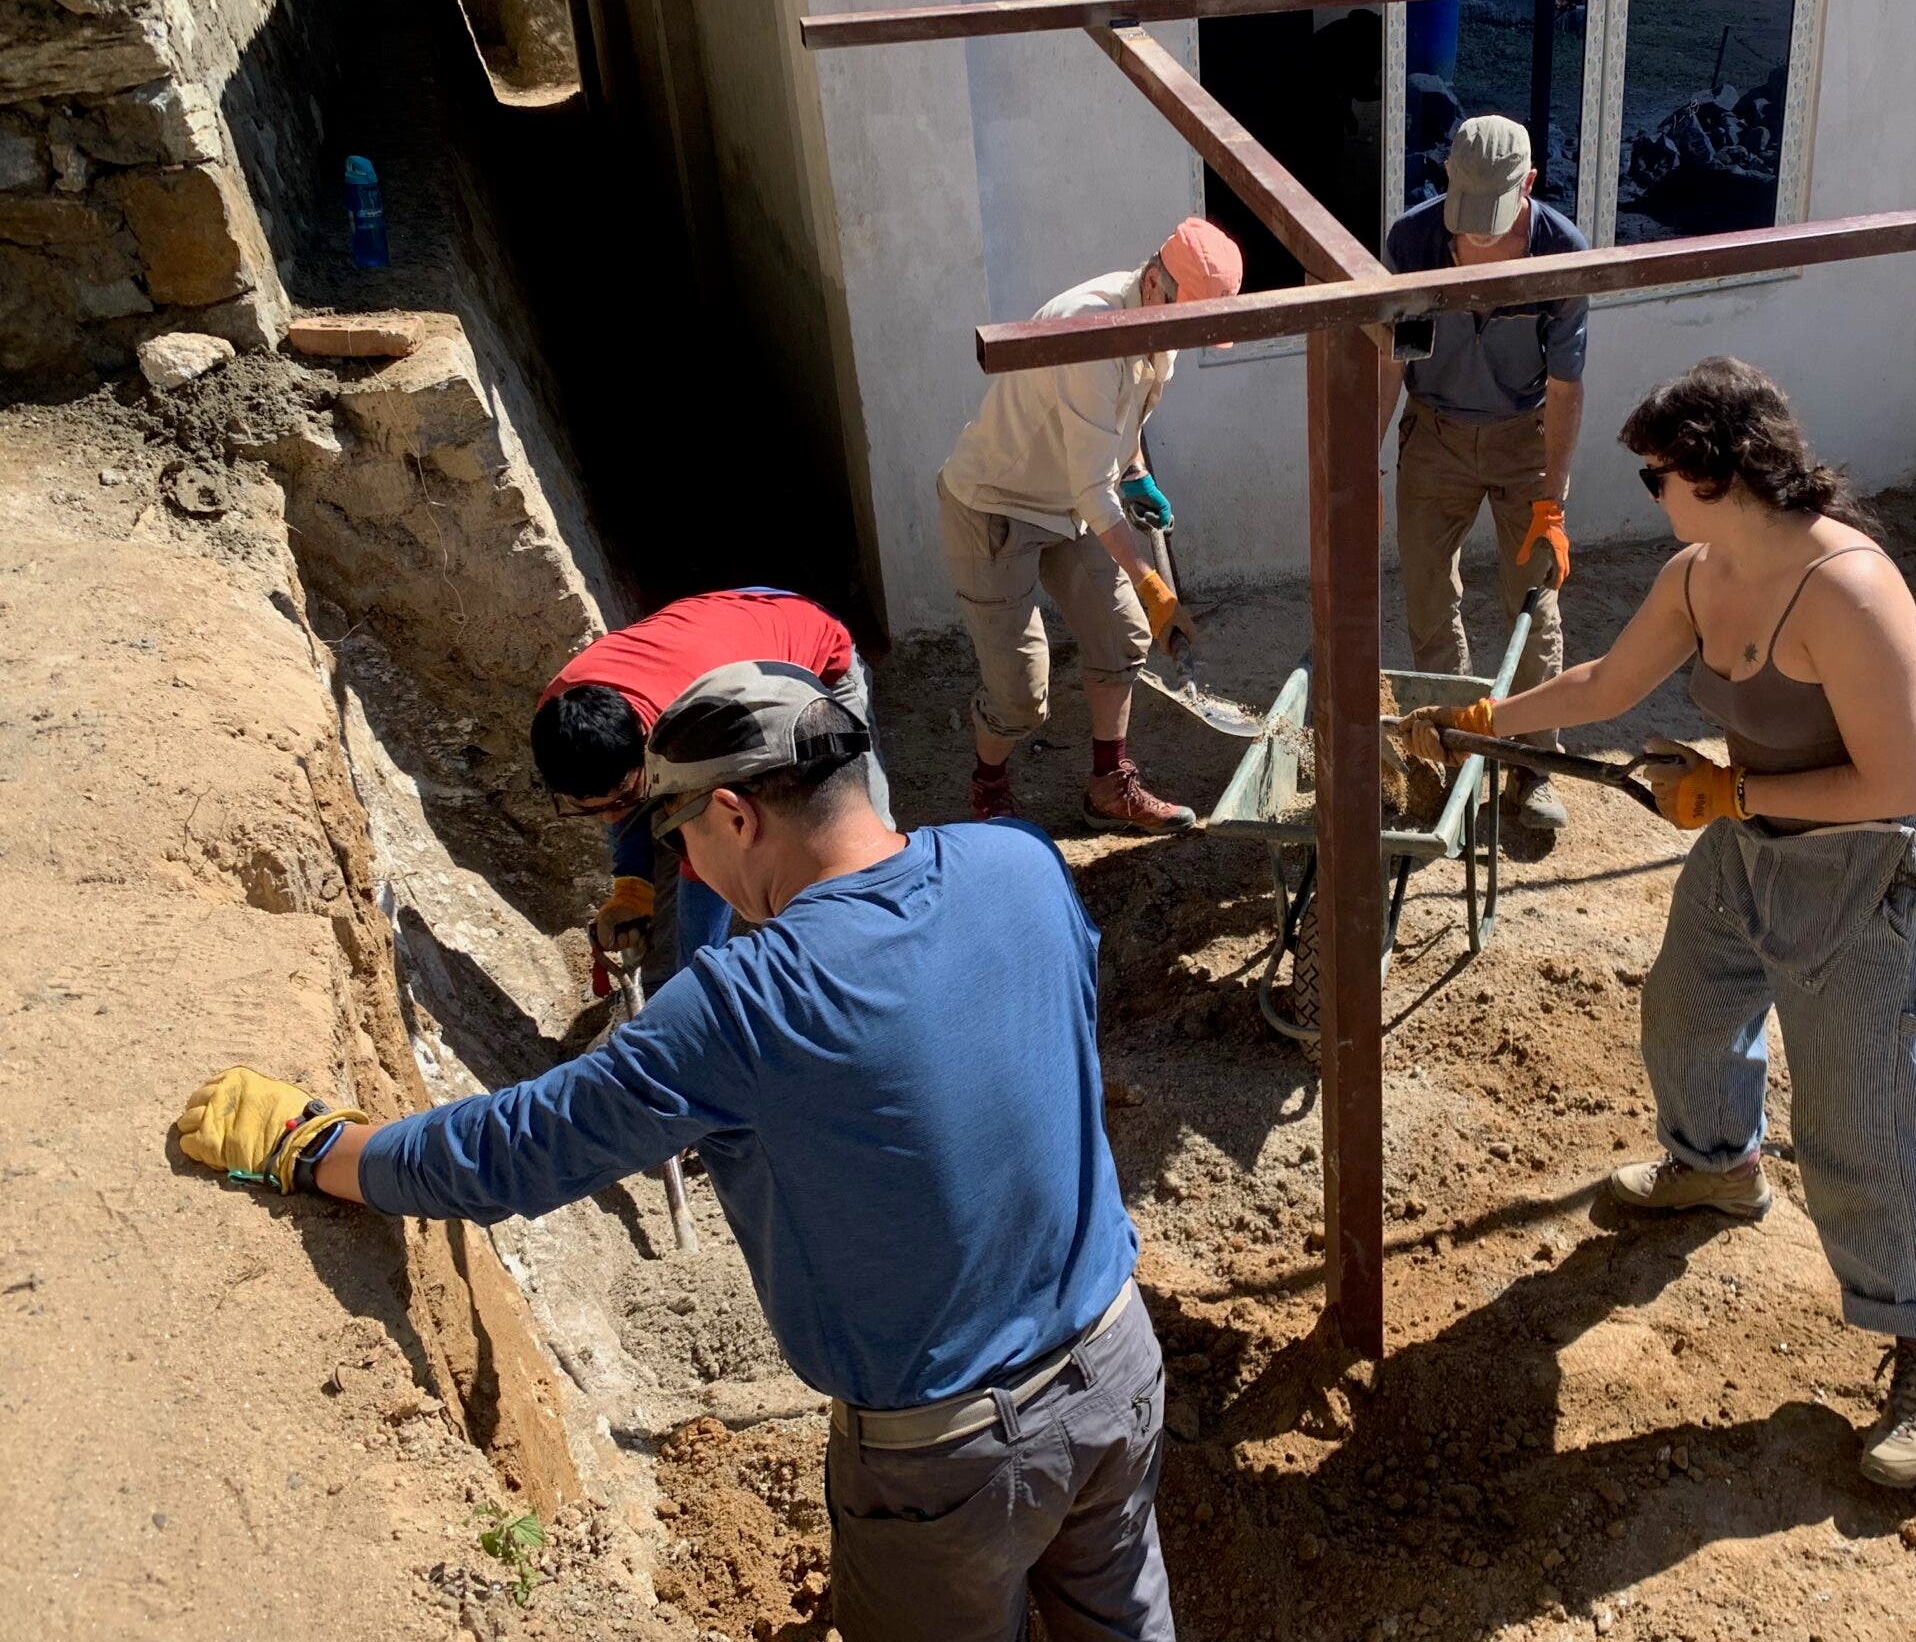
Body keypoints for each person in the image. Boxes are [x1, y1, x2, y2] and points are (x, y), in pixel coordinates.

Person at [175, 661, 1173, 1640]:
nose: (688, 866)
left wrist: (317, 1147)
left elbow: (518, 1148)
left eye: (684, 836)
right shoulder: (1021, 863)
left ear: (736, 814)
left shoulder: (750, 1000)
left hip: (954, 1453)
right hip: (1118, 1360)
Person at [1402, 356, 1916, 1488]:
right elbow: (1606, 688)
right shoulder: (1699, 573)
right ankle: (1717, 1166)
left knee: (1860, 1105)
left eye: (1655, 470)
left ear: (1714, 474)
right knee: (1686, 1008)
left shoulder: (1849, 592)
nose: (1647, 488)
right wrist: (1478, 721)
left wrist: (1729, 793)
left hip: (1871, 860)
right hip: (1754, 833)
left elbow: (1897, 781)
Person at [940, 217, 1245, 833]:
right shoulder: (1093, 328)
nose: (1189, 336)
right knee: (1021, 696)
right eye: (1189, 320)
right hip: (996, 504)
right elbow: (1090, 484)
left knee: (1122, 638)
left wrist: (1135, 474)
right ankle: (989, 787)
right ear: (1157, 283)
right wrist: (1150, 582)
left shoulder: (1162, 323)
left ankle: (1110, 783)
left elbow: (1117, 429)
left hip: (1071, 503)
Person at [1380, 114, 1590, 833]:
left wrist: (1552, 502)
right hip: (1433, 436)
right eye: (1465, 222)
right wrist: (1365, 462)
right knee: (1429, 600)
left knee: (1532, 603)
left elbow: (1565, 388)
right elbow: (1396, 355)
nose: (1473, 242)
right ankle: (1454, 750)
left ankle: (1534, 767)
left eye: (1491, 227)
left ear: (1528, 187)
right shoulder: (1411, 242)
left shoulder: (1563, 255)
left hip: (1521, 442)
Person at [530, 586, 886, 968]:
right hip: (723, 622)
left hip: (812, 643)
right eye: (588, 809)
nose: (610, 818)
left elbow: (713, 862)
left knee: (857, 847)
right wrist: (632, 886)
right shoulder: (563, 718)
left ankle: (867, 960)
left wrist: (695, 978)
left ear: (648, 741)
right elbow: (618, 793)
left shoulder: (700, 728)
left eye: (620, 800)